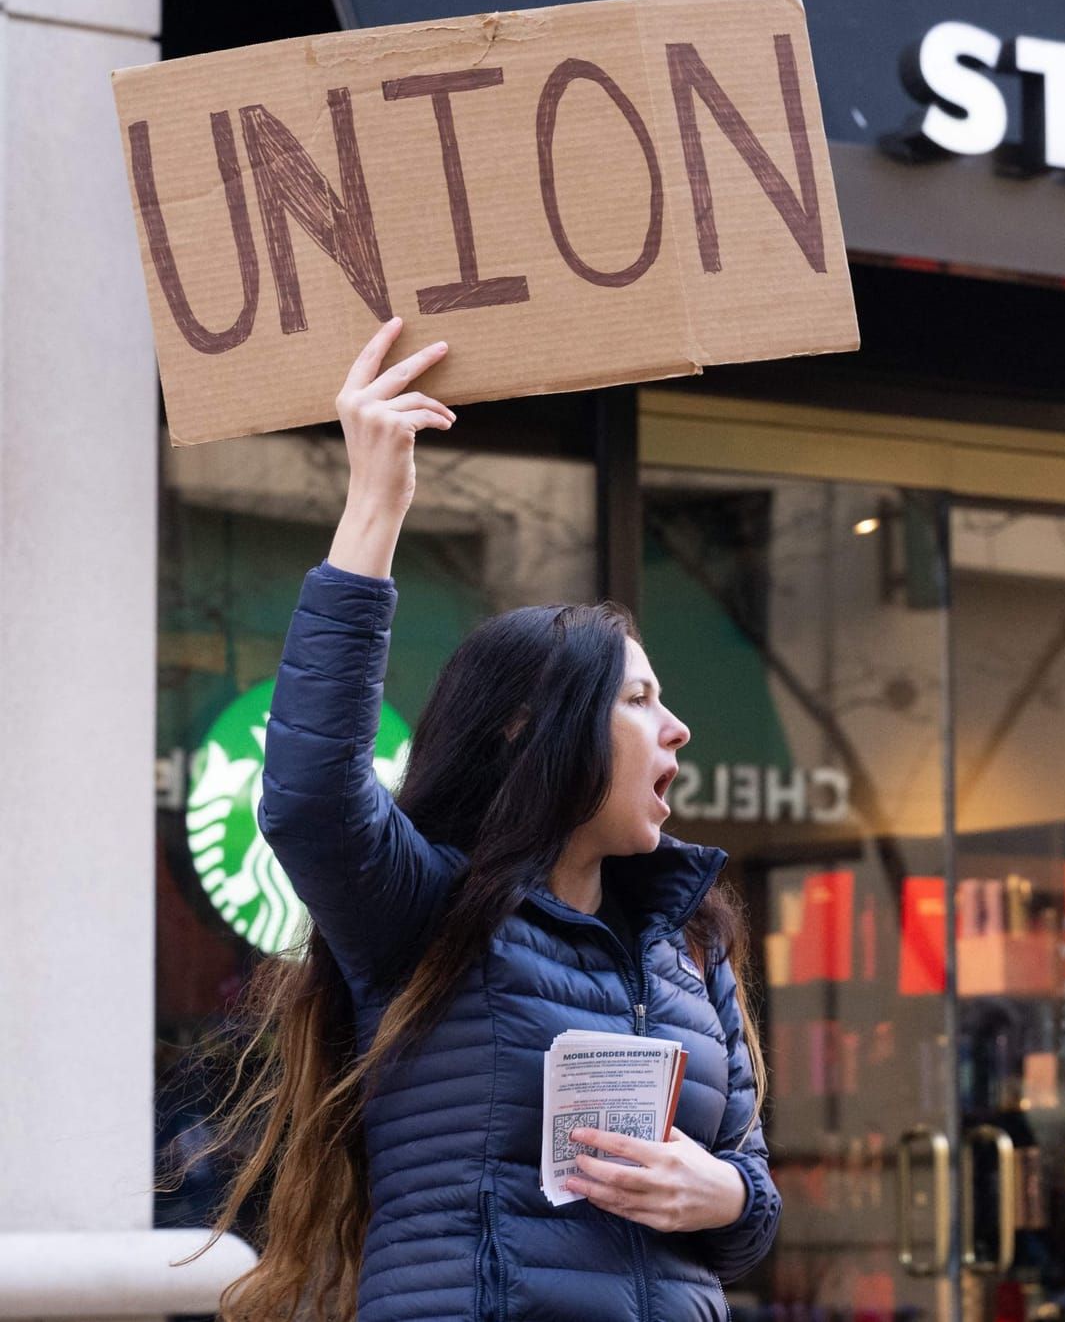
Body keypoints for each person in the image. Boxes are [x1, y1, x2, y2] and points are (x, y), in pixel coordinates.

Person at [192, 319, 778, 1321]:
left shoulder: (692, 940)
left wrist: (719, 1192)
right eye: (637, 700)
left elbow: (749, 1201)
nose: (677, 729)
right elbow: (307, 791)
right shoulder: (423, 911)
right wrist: (375, 502)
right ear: (525, 731)